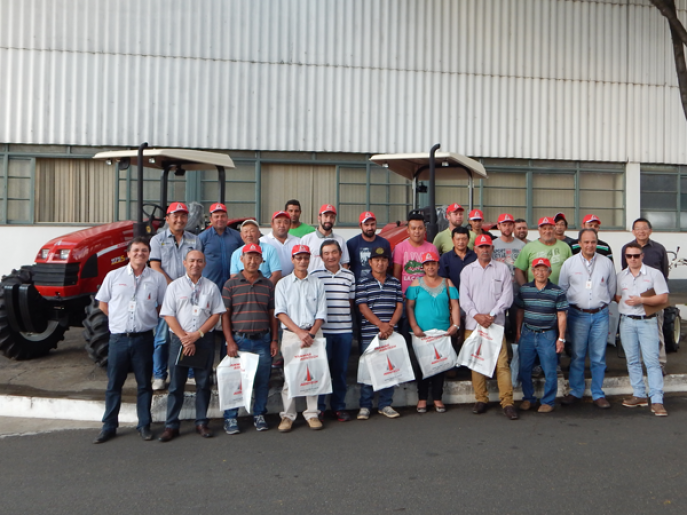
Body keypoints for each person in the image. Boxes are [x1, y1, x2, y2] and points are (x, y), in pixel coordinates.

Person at [93, 237, 168, 444]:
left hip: (144, 338)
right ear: (128, 253)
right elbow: (103, 303)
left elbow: (162, 306)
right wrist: (118, 321)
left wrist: (147, 319)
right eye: (136, 250)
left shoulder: (156, 278)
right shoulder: (113, 276)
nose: (140, 254)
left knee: (144, 384)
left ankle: (144, 424)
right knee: (114, 384)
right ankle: (109, 426)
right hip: (118, 339)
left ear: (148, 254)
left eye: (144, 251)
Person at [158, 250, 225, 442]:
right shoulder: (174, 287)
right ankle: (171, 425)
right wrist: (184, 338)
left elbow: (216, 314)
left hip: (203, 339)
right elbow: (168, 314)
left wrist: (197, 335)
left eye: (199, 261)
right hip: (179, 339)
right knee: (176, 384)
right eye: (192, 261)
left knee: (203, 383)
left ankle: (202, 422)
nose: (195, 264)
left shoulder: (211, 287)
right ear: (185, 263)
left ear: (204, 264)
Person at [221, 243, 279, 434]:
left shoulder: (268, 285)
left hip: (263, 340)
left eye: (256, 257)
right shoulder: (230, 285)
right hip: (239, 341)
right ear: (242, 259)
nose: (252, 261)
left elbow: (272, 314)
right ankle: (230, 418)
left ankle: (259, 414)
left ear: (262, 260)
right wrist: (229, 341)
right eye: (249, 257)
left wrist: (274, 340)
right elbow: (225, 316)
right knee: (236, 382)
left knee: (262, 380)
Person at [459, 234, 518, 420]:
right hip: (473, 324)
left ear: (492, 249)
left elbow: (507, 297)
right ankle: (481, 399)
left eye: (488, 247)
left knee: (502, 365)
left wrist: (492, 315)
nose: (485, 250)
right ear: (475, 249)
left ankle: (507, 403)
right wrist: (477, 315)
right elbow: (464, 298)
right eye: (481, 247)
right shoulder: (467, 271)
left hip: (495, 325)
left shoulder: (502, 269)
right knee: (476, 364)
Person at [558, 228, 617, 409]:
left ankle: (598, 393)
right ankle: (576, 391)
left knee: (599, 356)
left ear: (597, 243)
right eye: (586, 242)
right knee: (577, 355)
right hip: (577, 315)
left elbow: (612, 288)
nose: (590, 245)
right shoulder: (569, 263)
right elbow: (563, 289)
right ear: (580, 243)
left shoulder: (606, 263)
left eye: (593, 242)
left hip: (600, 315)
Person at [149, 202, 203, 391]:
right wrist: (175, 286)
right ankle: (159, 375)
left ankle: (188, 373)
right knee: (162, 339)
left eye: (183, 216)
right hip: (166, 297)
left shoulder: (194, 240)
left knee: (188, 336)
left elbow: (197, 265)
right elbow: (155, 266)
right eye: (175, 216)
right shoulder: (157, 240)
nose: (179, 220)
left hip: (190, 297)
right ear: (168, 219)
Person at [274, 244, 328, 432]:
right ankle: (288, 416)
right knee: (291, 376)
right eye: (299, 258)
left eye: (306, 258)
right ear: (293, 259)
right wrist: (299, 333)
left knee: (312, 375)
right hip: (292, 335)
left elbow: (321, 312)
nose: (302, 261)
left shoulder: (317, 283)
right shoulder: (283, 284)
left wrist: (311, 333)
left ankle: (312, 414)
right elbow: (280, 313)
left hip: (313, 334)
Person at [616, 242, 669, 417]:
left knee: (652, 361)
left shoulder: (654, 274)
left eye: (636, 256)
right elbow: (617, 296)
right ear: (625, 258)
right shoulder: (621, 276)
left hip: (647, 321)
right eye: (629, 256)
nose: (632, 259)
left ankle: (657, 400)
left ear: (642, 256)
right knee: (632, 360)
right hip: (627, 322)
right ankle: (639, 394)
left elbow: (663, 298)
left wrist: (642, 300)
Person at [406, 251, 460, 413]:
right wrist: (414, 326)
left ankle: (437, 398)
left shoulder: (447, 282)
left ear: (438, 265)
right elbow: (409, 306)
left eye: (433, 264)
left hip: (442, 332)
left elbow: (455, 305)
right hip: (422, 333)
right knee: (423, 365)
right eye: (427, 264)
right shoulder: (416, 283)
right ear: (423, 267)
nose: (430, 267)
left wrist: (456, 325)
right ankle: (422, 398)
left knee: (440, 365)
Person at [356, 246, 404, 420]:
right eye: (376, 260)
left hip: (391, 333)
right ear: (370, 262)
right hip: (371, 333)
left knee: (389, 369)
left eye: (383, 260)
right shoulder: (362, 282)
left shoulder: (394, 282)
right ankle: (365, 406)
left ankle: (385, 404)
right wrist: (380, 325)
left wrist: (390, 325)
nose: (380, 263)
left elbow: (399, 306)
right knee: (368, 369)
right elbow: (362, 307)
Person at [514, 257, 568, 413]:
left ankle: (548, 401)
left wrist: (561, 338)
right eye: (537, 269)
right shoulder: (525, 289)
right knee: (524, 368)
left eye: (544, 269)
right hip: (527, 334)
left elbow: (561, 315)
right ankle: (528, 398)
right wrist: (518, 331)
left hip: (548, 335)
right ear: (532, 272)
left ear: (549, 272)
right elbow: (520, 311)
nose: (540, 272)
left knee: (550, 369)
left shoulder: (557, 291)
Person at [311, 240, 356, 422]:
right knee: (322, 371)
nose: (331, 256)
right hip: (323, 332)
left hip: (344, 330)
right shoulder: (314, 276)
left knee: (340, 370)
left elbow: (350, 302)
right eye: (326, 253)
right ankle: (319, 408)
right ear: (321, 257)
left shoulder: (349, 276)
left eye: (334, 252)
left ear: (340, 254)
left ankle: (338, 407)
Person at [621, 218, 670, 372]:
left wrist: (657, 295)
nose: (641, 231)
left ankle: (659, 363)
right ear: (633, 231)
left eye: (644, 228)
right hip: (633, 296)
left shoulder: (659, 249)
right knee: (635, 333)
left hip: (654, 295)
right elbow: (625, 271)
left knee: (657, 330)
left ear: (650, 230)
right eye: (638, 228)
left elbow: (664, 272)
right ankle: (641, 363)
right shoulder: (627, 248)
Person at [493, 213, 525, 341]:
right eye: (504, 225)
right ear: (499, 226)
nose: (507, 227)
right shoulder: (493, 244)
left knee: (516, 322)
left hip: (516, 289)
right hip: (497, 291)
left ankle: (515, 349)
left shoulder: (522, 246)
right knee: (499, 323)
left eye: (510, 225)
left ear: (513, 226)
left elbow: (525, 269)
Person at [514, 216, 573, 286]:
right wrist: (524, 288)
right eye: (544, 229)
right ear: (539, 230)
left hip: (559, 292)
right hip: (535, 293)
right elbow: (519, 270)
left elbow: (572, 269)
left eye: (550, 228)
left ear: (554, 229)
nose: (547, 231)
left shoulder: (565, 247)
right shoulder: (529, 247)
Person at [199, 202, 243, 291]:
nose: (220, 219)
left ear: (227, 218)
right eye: (216, 216)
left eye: (223, 216)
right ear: (211, 219)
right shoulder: (202, 237)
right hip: (209, 285)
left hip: (234, 285)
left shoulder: (237, 236)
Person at [393, 212, 439, 294]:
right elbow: (397, 274)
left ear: (425, 230)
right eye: (413, 228)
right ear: (408, 230)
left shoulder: (432, 248)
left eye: (420, 228)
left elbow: (436, 274)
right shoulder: (400, 247)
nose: (417, 231)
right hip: (405, 296)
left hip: (426, 295)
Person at [300, 204, 350, 272]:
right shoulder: (306, 239)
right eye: (326, 216)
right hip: (311, 281)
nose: (329, 220)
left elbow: (344, 264)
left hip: (333, 281)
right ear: (319, 218)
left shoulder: (340, 240)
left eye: (332, 217)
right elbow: (299, 262)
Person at [230, 219, 282, 284]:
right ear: (241, 235)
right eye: (246, 231)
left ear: (258, 234)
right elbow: (234, 277)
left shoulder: (270, 250)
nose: (249, 234)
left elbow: (276, 275)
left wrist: (264, 288)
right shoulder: (236, 254)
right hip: (242, 291)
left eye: (252, 231)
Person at [346, 211, 391, 283]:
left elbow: (388, 266)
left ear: (376, 224)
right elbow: (346, 267)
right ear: (361, 226)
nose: (370, 228)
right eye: (366, 225)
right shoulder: (351, 243)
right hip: (358, 286)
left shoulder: (384, 243)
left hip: (378, 286)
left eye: (372, 224)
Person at [260, 210, 301, 276]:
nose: (282, 225)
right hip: (270, 282)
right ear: (272, 224)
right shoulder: (263, 241)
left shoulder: (297, 241)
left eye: (286, 222)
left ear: (290, 224)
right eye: (278, 222)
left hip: (292, 283)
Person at [438, 226, 477, 291]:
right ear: (453, 240)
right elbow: (442, 280)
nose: (461, 242)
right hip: (452, 296)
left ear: (468, 240)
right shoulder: (445, 258)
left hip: (473, 294)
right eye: (458, 239)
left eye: (464, 239)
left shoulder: (475, 256)